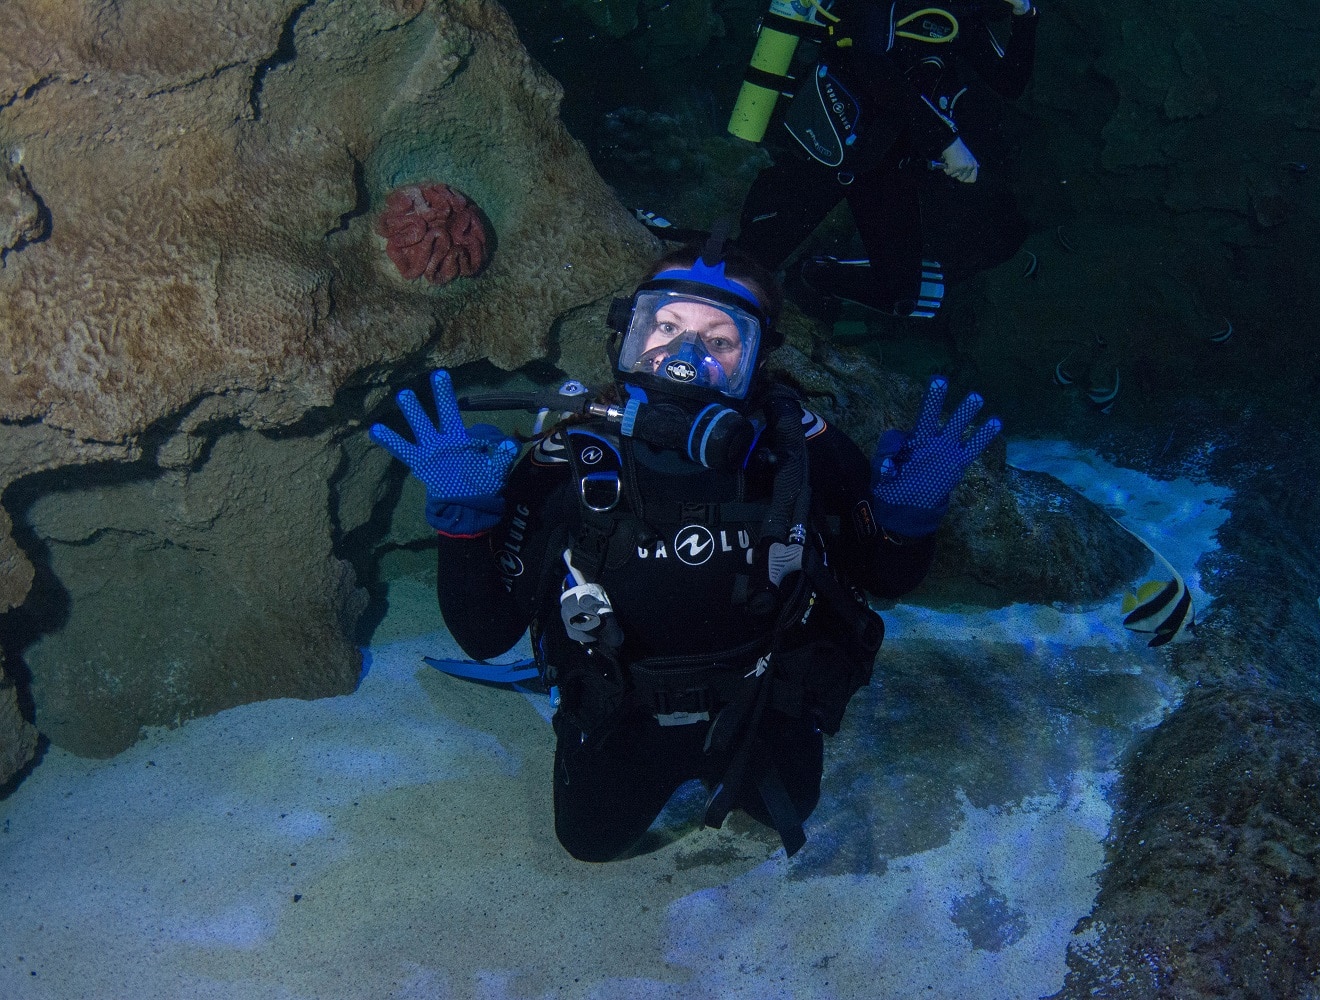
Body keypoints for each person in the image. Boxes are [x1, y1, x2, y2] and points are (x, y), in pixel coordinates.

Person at [370, 235, 1002, 860]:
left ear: (758, 356)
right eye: (666, 326)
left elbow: (885, 577)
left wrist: (906, 521)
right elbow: (486, 634)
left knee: (786, 807)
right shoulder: (575, 454)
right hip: (622, 708)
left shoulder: (798, 452)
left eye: (720, 340)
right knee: (589, 842)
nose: (685, 356)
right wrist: (464, 524)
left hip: (762, 700)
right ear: (629, 333)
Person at [735, 0, 1039, 320]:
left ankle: (810, 277)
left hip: (887, 159)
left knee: (899, 293)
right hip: (830, 142)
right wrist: (945, 141)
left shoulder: (961, 14)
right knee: (749, 264)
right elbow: (871, 64)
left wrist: (1025, 14)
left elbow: (1010, 81)